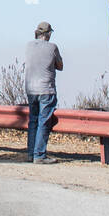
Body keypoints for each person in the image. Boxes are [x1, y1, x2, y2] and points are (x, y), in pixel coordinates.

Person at [23, 21, 63, 163]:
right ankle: (39, 155)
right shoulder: (52, 47)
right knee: (43, 121)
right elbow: (60, 66)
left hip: (30, 89)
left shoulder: (28, 46)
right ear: (49, 34)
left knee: (33, 120)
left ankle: (31, 154)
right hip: (46, 89)